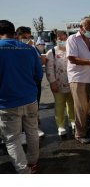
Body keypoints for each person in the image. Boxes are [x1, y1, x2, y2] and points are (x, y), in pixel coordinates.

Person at [0, 20, 43, 173]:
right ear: (14, 32)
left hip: (7, 103)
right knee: (32, 131)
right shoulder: (29, 49)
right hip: (30, 98)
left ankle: (24, 171)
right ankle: (32, 163)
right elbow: (38, 74)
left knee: (12, 139)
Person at [15, 26, 45, 138]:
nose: (26, 39)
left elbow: (39, 65)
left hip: (33, 83)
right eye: (24, 37)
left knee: (34, 104)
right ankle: (22, 130)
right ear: (17, 36)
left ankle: (35, 126)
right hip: (21, 83)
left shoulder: (33, 48)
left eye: (28, 37)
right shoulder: (14, 49)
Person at [45, 31, 75, 136]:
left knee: (71, 103)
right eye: (59, 39)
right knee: (59, 105)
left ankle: (73, 120)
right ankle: (61, 126)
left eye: (64, 39)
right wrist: (52, 83)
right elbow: (49, 70)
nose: (62, 41)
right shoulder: (51, 52)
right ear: (55, 39)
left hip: (71, 83)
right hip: (58, 84)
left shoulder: (71, 51)